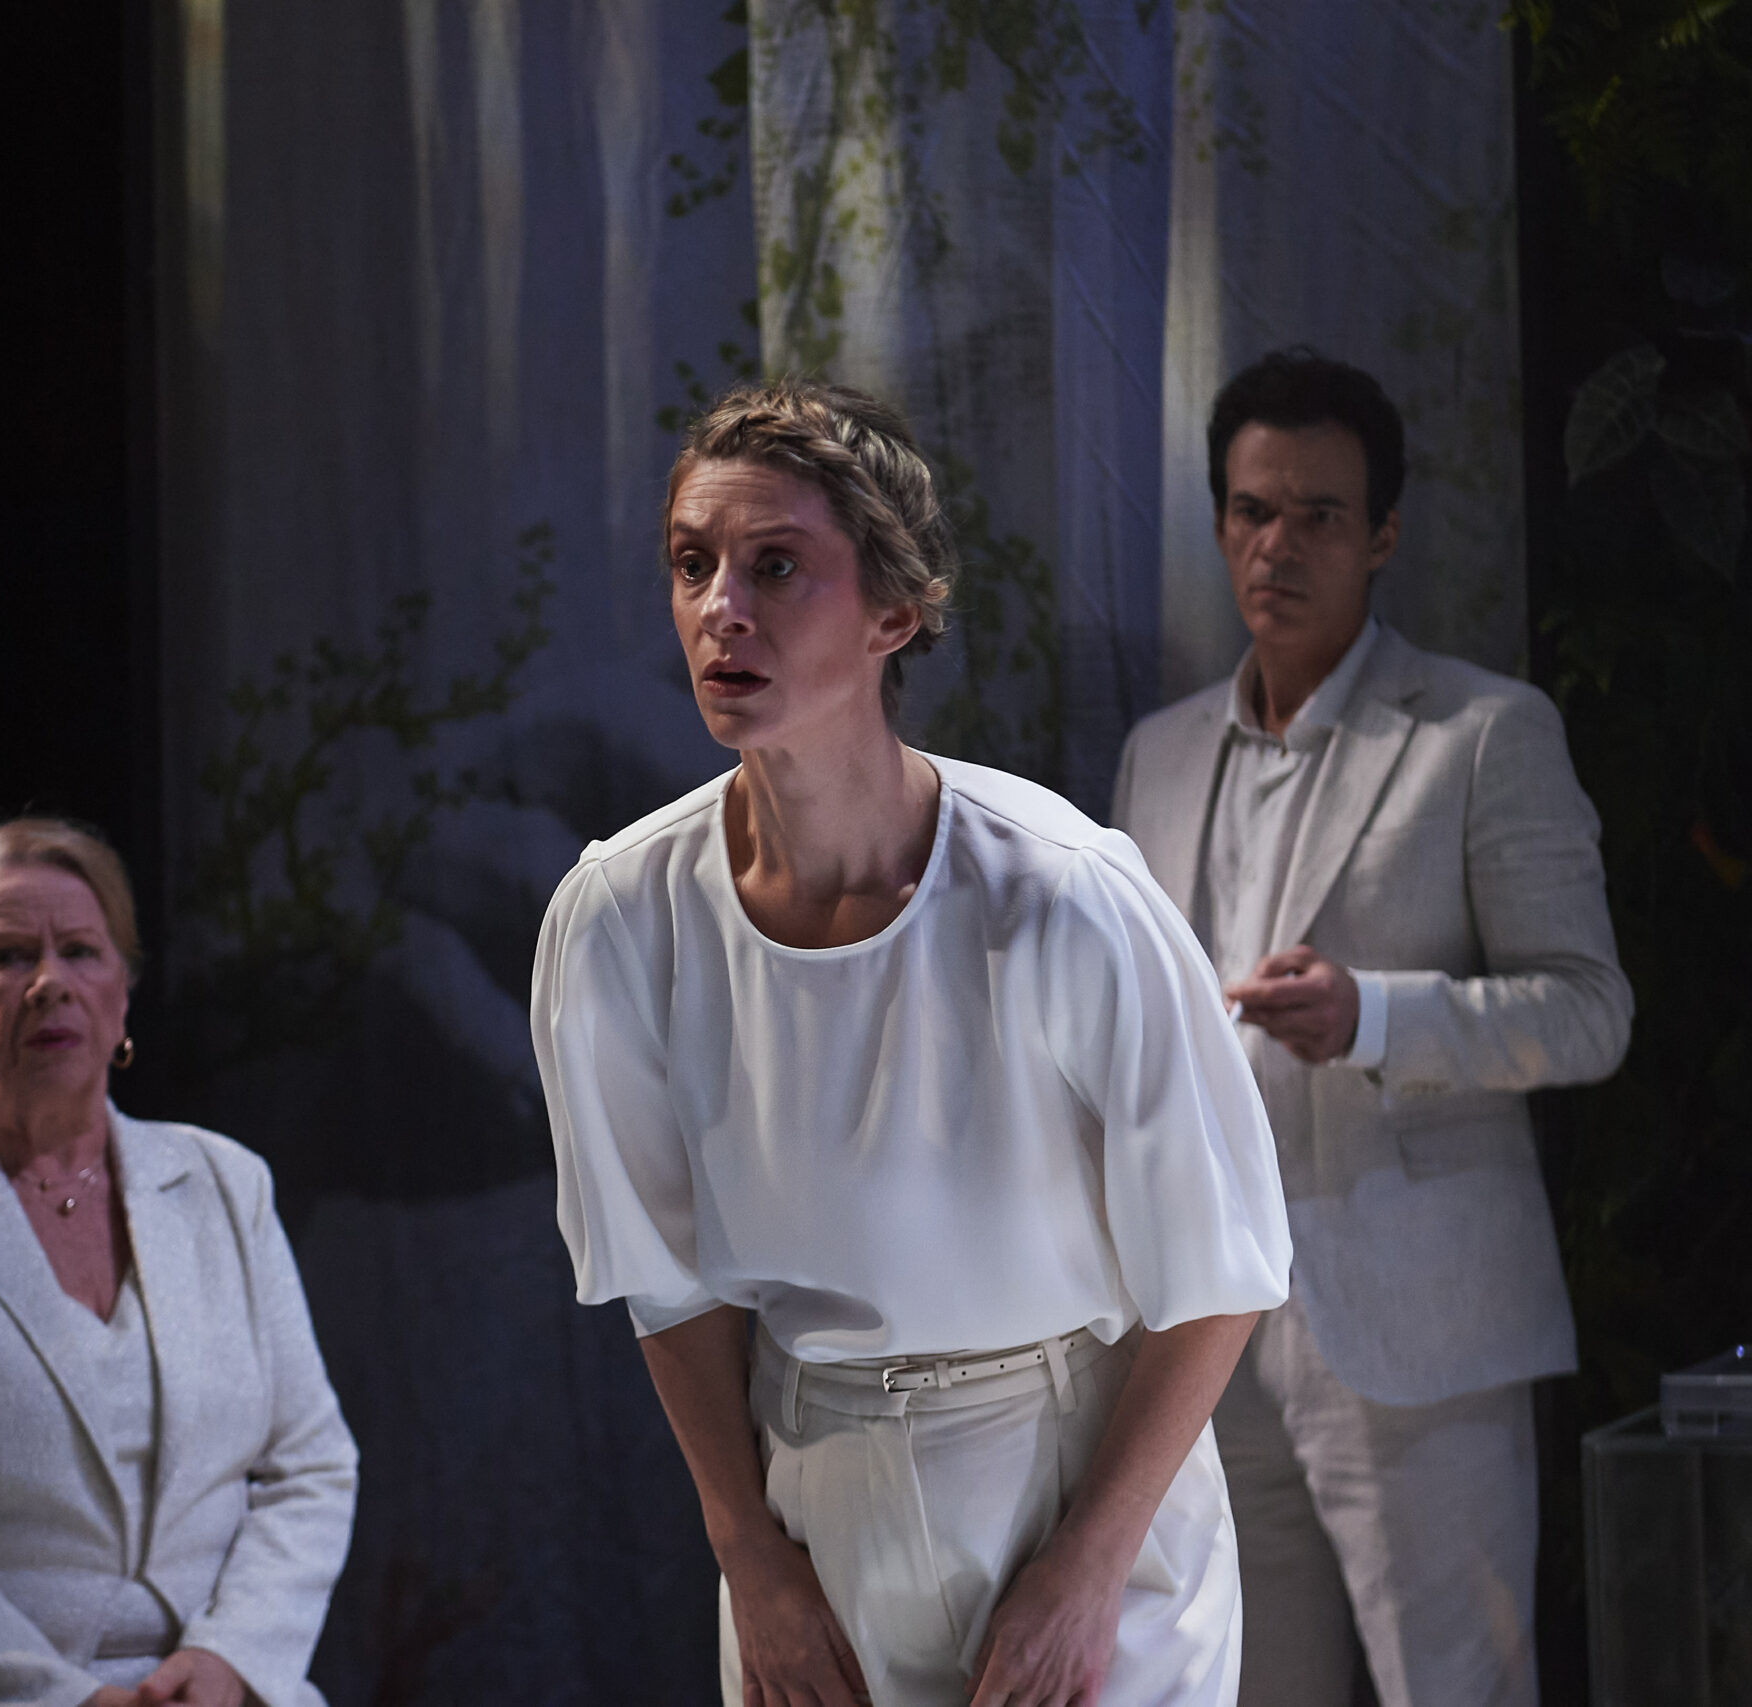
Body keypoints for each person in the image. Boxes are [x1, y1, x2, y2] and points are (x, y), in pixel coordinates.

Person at [531, 378, 1293, 1707]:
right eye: (693, 564)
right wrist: (750, 1557)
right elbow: (667, 1284)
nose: (722, 607)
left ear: (894, 611)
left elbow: (1224, 1268)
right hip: (815, 1502)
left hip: (1084, 1479)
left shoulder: (1062, 892)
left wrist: (1092, 1564)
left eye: (777, 566)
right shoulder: (619, 917)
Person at [1111, 348, 1632, 1707]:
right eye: (1251, 510)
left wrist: (1374, 1014)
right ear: (1218, 521)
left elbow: (1588, 1011)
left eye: (1319, 515)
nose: (1276, 545)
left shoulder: (1481, 732)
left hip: (1418, 1325)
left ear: (1383, 535)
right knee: (1242, 1685)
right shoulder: (1160, 751)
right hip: (1208, 1322)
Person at [0, 819, 357, 1707]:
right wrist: (60, 1698)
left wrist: (231, 1657)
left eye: (80, 950)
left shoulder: (224, 1184)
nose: (50, 982)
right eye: (8, 956)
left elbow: (310, 1463)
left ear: (121, 993)